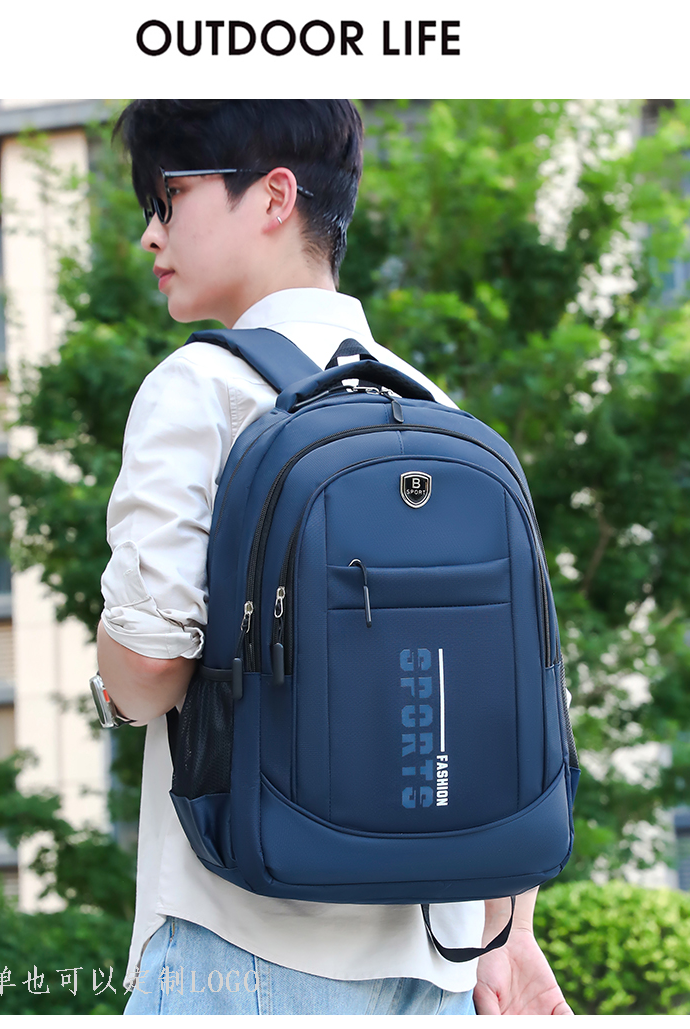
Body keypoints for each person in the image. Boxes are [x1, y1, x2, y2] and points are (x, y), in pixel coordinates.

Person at [96, 99, 572, 1017]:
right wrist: (509, 932)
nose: (150, 234)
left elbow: (150, 667)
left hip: (243, 941)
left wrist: (108, 688)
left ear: (274, 196)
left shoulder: (198, 384)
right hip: (440, 962)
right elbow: (516, 689)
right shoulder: (436, 406)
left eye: (169, 197)